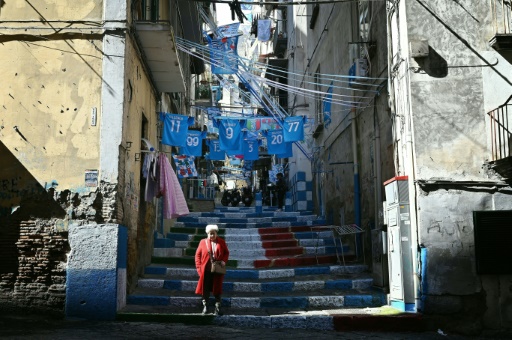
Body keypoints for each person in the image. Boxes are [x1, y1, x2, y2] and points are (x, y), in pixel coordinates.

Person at [195, 224, 229, 315]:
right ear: (207, 234)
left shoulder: (221, 242)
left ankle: (217, 307)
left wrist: (224, 261)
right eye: (210, 234)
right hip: (205, 270)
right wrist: (199, 269)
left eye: (213, 233)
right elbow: (197, 256)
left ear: (216, 233)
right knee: (205, 288)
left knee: (217, 288)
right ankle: (205, 306)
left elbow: (226, 253)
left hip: (217, 270)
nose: (212, 235)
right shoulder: (203, 242)